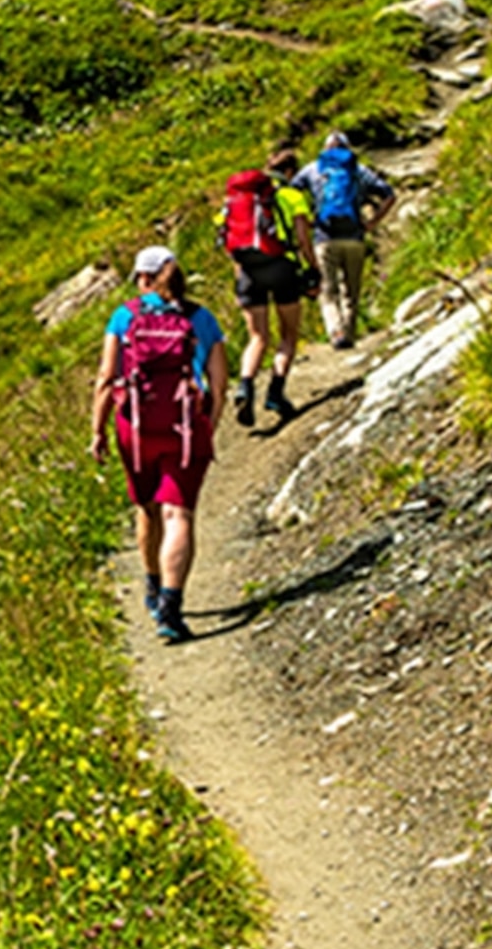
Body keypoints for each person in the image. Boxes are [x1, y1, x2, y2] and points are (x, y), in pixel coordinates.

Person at [90, 246, 229, 644]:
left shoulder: (124, 316)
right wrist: (208, 427)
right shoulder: (201, 317)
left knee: (146, 508)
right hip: (185, 427)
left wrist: (97, 431)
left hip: (134, 428)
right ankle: (171, 607)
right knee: (178, 515)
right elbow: (218, 383)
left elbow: (105, 377)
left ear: (145, 278)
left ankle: (151, 586)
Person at [216, 147, 318, 428]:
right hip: (282, 267)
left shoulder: (238, 200)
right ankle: (275, 392)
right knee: (288, 334)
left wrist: (240, 275)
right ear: (290, 172)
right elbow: (302, 237)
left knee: (257, 337)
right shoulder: (290, 196)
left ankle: (245, 387)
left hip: (248, 271)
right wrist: (313, 268)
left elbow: (227, 240)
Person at [295, 131, 395, 348]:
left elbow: (290, 192)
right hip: (355, 237)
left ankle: (336, 331)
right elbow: (389, 194)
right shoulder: (358, 170)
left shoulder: (313, 169)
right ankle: (348, 334)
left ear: (325, 149)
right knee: (351, 289)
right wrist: (372, 222)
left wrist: (306, 220)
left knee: (327, 289)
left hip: (325, 237)